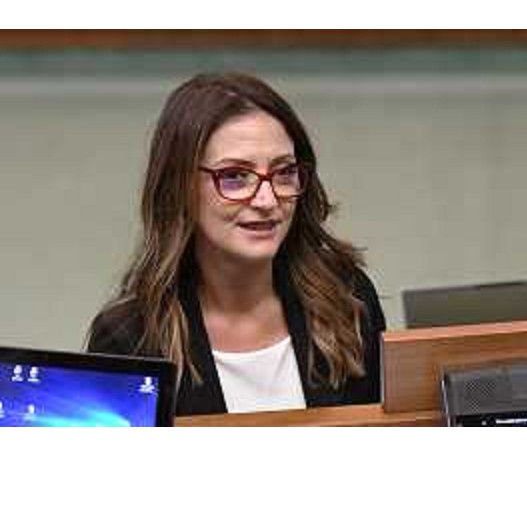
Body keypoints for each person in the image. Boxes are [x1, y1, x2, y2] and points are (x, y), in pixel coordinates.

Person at [86, 73, 386, 416]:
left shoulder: (347, 300)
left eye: (284, 172)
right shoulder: (128, 338)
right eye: (234, 177)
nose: (267, 200)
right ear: (180, 187)